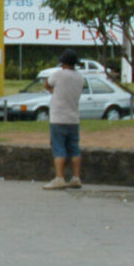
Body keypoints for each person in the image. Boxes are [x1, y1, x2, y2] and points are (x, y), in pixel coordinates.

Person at [44, 50, 86, 190]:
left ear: (63, 62)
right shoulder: (80, 78)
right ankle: (76, 177)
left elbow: (47, 83)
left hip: (58, 117)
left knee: (58, 147)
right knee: (74, 148)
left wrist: (52, 90)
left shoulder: (58, 74)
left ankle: (60, 178)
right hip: (73, 118)